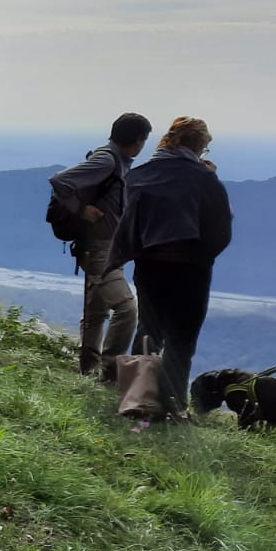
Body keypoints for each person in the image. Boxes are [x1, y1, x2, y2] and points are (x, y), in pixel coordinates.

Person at [110, 117, 233, 417]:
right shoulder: (203, 178)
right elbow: (220, 226)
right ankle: (174, 405)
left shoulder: (141, 174)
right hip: (190, 269)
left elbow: (132, 221)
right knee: (182, 335)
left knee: (149, 329)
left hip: (149, 266)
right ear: (200, 145)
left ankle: (137, 399)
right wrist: (203, 255)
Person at [48, 113, 152, 382]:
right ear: (138, 140)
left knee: (96, 312)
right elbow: (60, 180)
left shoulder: (116, 160)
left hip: (101, 247)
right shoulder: (107, 160)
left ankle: (88, 370)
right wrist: (82, 210)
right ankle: (109, 373)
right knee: (127, 309)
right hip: (98, 249)